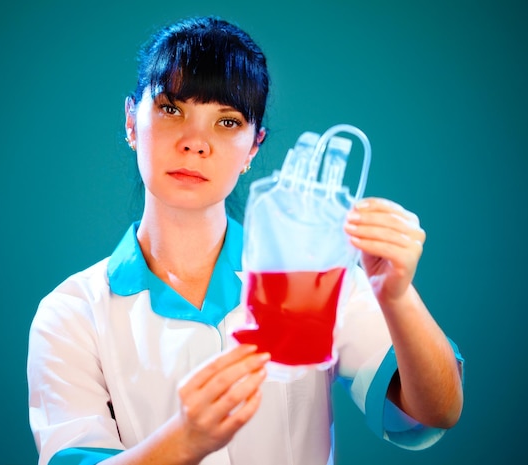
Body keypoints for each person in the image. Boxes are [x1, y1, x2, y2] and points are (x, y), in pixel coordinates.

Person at [27, 15, 464, 465]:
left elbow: (438, 409)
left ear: (254, 147)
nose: (196, 143)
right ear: (131, 122)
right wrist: (185, 441)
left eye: (227, 121)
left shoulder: (309, 276)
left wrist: (398, 297)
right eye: (172, 108)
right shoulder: (72, 313)